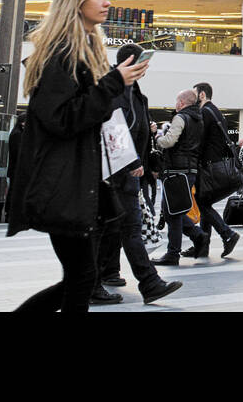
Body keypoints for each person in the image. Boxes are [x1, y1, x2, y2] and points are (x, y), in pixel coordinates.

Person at [10, 0, 178, 313]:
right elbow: (62, 119)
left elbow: (88, 116)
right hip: (63, 184)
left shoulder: (82, 48)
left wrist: (115, 86)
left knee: (81, 276)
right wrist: (113, 84)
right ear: (77, 1)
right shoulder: (62, 53)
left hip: (79, 183)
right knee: (82, 276)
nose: (107, 1)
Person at [94, 44, 182, 305]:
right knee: (112, 229)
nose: (145, 69)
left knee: (120, 228)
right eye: (143, 63)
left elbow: (135, 130)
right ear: (130, 62)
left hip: (126, 171)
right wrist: (134, 161)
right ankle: (141, 282)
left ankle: (145, 282)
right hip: (114, 171)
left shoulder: (134, 92)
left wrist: (142, 163)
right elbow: (113, 127)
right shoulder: (116, 89)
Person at [151, 89, 208, 265]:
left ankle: (173, 253)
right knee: (176, 211)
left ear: (181, 103)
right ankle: (198, 236)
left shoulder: (181, 118)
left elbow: (169, 141)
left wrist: (156, 136)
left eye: (177, 101)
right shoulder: (199, 120)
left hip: (176, 170)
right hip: (190, 170)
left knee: (172, 213)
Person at [192, 81, 242, 257]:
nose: (194, 98)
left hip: (211, 167)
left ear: (202, 94)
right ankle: (203, 246)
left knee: (202, 202)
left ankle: (228, 234)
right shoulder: (216, 111)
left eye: (195, 94)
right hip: (221, 166)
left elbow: (201, 140)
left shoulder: (205, 112)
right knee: (205, 202)